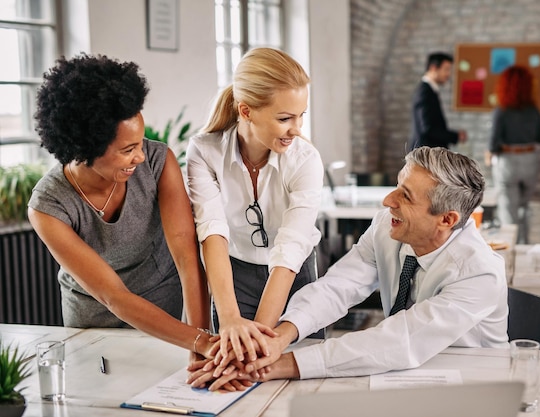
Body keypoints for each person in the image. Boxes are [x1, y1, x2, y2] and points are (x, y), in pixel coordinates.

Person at [187, 146, 509, 390]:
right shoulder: (388, 226)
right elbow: (338, 286)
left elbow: (400, 340)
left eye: (406, 196)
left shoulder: (479, 273)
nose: (388, 201)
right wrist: (277, 340)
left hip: (471, 387)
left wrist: (278, 366)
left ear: (447, 220)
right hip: (401, 376)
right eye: (397, 185)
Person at [28, 53, 216, 359]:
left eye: (140, 143)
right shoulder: (48, 206)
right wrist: (200, 342)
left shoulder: (158, 162)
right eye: (128, 150)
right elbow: (113, 296)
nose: (140, 156)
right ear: (85, 149)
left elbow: (186, 254)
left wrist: (200, 337)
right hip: (92, 329)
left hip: (166, 320)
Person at [186, 47, 324, 363]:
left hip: (294, 275)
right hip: (233, 277)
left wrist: (257, 340)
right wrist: (231, 319)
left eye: (302, 115)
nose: (297, 129)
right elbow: (212, 232)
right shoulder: (205, 152)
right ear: (246, 111)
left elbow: (291, 248)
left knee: (294, 369)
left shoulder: (305, 161)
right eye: (285, 118)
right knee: (234, 368)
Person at [485, 65, 540, 244]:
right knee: (523, 207)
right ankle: (524, 244)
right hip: (530, 160)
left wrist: (490, 154)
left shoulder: (501, 111)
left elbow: (493, 144)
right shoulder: (533, 110)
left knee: (507, 209)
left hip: (508, 163)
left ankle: (510, 251)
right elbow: (539, 138)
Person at [408, 52, 467, 150]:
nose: (448, 74)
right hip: (425, 155)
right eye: (446, 69)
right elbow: (428, 128)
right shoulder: (425, 92)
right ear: (433, 68)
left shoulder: (430, 90)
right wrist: (455, 136)